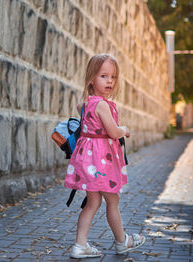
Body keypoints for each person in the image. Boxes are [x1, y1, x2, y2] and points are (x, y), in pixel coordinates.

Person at [64, 54, 146, 258]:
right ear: (92, 78)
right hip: (103, 162)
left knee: (92, 203)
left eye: (113, 77)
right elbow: (112, 132)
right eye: (103, 76)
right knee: (112, 201)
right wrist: (124, 130)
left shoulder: (83, 105)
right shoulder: (103, 105)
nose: (110, 81)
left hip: (87, 161)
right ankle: (122, 241)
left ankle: (80, 245)